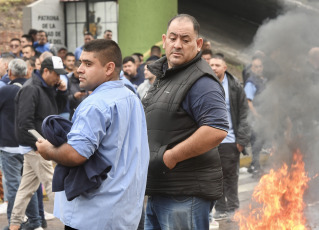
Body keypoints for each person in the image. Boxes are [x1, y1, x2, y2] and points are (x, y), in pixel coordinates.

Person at [36, 39, 149, 230]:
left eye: (88, 64)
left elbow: (76, 154)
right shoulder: (131, 96)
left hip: (95, 215)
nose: (79, 69)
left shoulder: (95, 104)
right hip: (127, 212)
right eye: (81, 63)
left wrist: (48, 151)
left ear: (109, 68)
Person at [142, 14, 229, 229]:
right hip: (161, 189)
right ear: (164, 40)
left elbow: (216, 129)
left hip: (184, 195)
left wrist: (171, 156)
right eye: (173, 38)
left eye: (185, 39)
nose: (177, 45)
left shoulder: (201, 81)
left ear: (198, 44)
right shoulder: (167, 75)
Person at [9, 56, 68, 230]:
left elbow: (56, 111)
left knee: (26, 189)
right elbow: (24, 122)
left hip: (39, 145)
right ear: (46, 71)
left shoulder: (46, 87)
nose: (59, 78)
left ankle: (14, 224)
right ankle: (71, 221)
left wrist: (61, 92)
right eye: (56, 74)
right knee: (53, 184)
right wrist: (38, 144)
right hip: (38, 146)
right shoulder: (31, 89)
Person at [209, 54, 250, 221]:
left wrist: (241, 140)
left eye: (217, 65)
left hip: (230, 140)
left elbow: (244, 114)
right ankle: (220, 208)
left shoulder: (234, 86)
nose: (213, 68)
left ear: (225, 67)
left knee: (231, 176)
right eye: (211, 64)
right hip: (209, 141)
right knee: (214, 176)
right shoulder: (204, 84)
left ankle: (233, 207)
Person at [0, 59, 40, 229]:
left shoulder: (6, 91)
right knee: (28, 186)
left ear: (9, 73)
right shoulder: (34, 89)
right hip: (29, 144)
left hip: (9, 145)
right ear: (26, 72)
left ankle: (13, 223)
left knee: (15, 186)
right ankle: (35, 221)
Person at [244, 56, 267, 176]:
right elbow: (248, 101)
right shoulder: (251, 82)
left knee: (261, 141)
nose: (258, 69)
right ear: (252, 68)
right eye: (255, 67)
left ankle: (254, 165)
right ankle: (255, 167)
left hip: (264, 117)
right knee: (256, 142)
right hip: (255, 118)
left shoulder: (263, 80)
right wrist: (256, 115)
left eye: (260, 66)